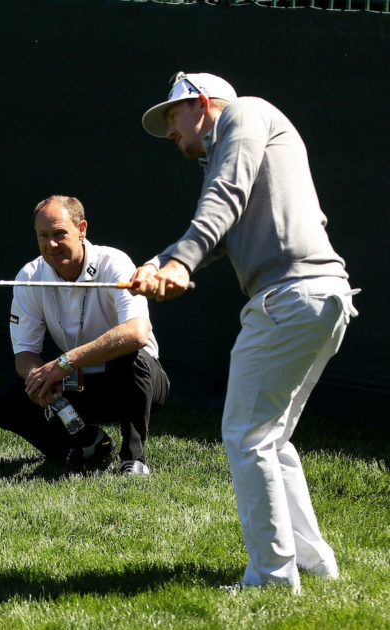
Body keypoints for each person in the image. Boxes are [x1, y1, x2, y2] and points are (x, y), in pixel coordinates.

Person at [131, 71, 359, 592]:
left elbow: (224, 197)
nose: (170, 130)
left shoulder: (244, 113)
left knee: (246, 435)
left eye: (173, 114)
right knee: (271, 437)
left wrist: (181, 262)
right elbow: (221, 229)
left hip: (291, 298)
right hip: (320, 298)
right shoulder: (235, 144)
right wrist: (160, 263)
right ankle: (313, 561)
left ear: (205, 104)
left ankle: (273, 578)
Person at [0, 195, 169, 475]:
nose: (51, 244)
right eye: (43, 236)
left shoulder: (114, 262)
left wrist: (63, 364)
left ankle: (133, 460)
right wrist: (38, 377)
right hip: (77, 381)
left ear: (81, 230)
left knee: (134, 360)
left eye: (59, 234)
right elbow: (24, 354)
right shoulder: (30, 275)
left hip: (135, 383)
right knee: (4, 403)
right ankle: (84, 446)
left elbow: (136, 333)